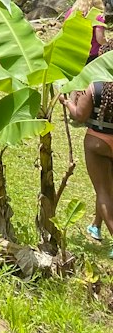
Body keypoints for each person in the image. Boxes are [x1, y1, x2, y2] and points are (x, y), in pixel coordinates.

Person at [66, 39, 113, 244]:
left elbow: (79, 116)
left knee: (103, 190)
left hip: (98, 142)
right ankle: (96, 225)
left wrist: (67, 101)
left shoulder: (94, 85)